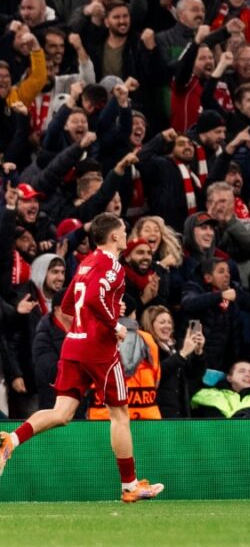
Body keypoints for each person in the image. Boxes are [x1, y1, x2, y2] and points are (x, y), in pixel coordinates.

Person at [0, 213, 164, 502]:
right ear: (114, 236)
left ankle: (10, 440)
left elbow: (67, 304)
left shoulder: (86, 263)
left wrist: (99, 313)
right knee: (119, 415)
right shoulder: (112, 265)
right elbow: (91, 299)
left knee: (61, 413)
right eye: (123, 230)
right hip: (99, 350)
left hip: (74, 345)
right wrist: (114, 324)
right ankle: (130, 486)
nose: (126, 235)